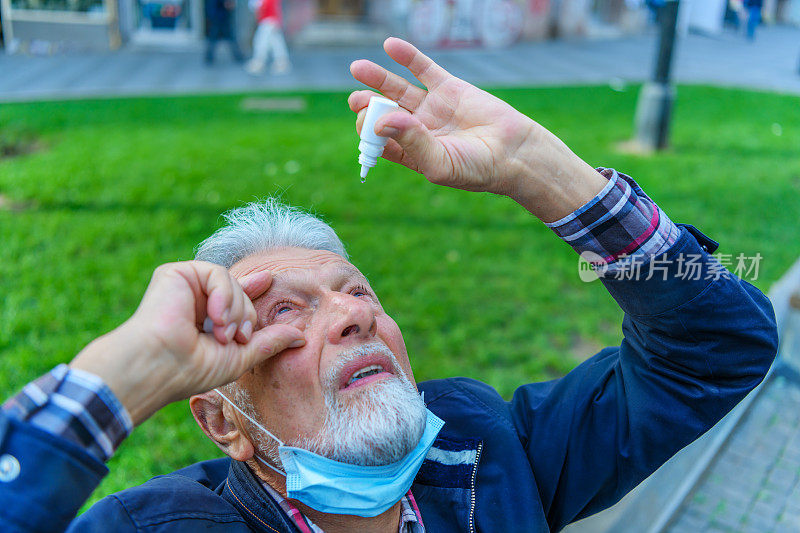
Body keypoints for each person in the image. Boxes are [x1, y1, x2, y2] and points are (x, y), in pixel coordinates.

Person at [0, 37, 778, 532]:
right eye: (281, 316)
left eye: (359, 292)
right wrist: (125, 376)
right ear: (222, 424)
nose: (351, 316)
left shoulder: (487, 445)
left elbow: (714, 352)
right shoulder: (151, 528)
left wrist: (544, 173)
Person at [245, 0, 291, 75]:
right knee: (276, 43)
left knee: (261, 42)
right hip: (268, 20)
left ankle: (259, 62)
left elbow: (268, 8)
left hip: (269, 21)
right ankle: (281, 62)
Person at [205, 0, 245, 65]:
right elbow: (226, 4)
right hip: (220, 18)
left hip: (218, 18)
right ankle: (238, 56)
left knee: (213, 39)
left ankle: (209, 57)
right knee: (230, 39)